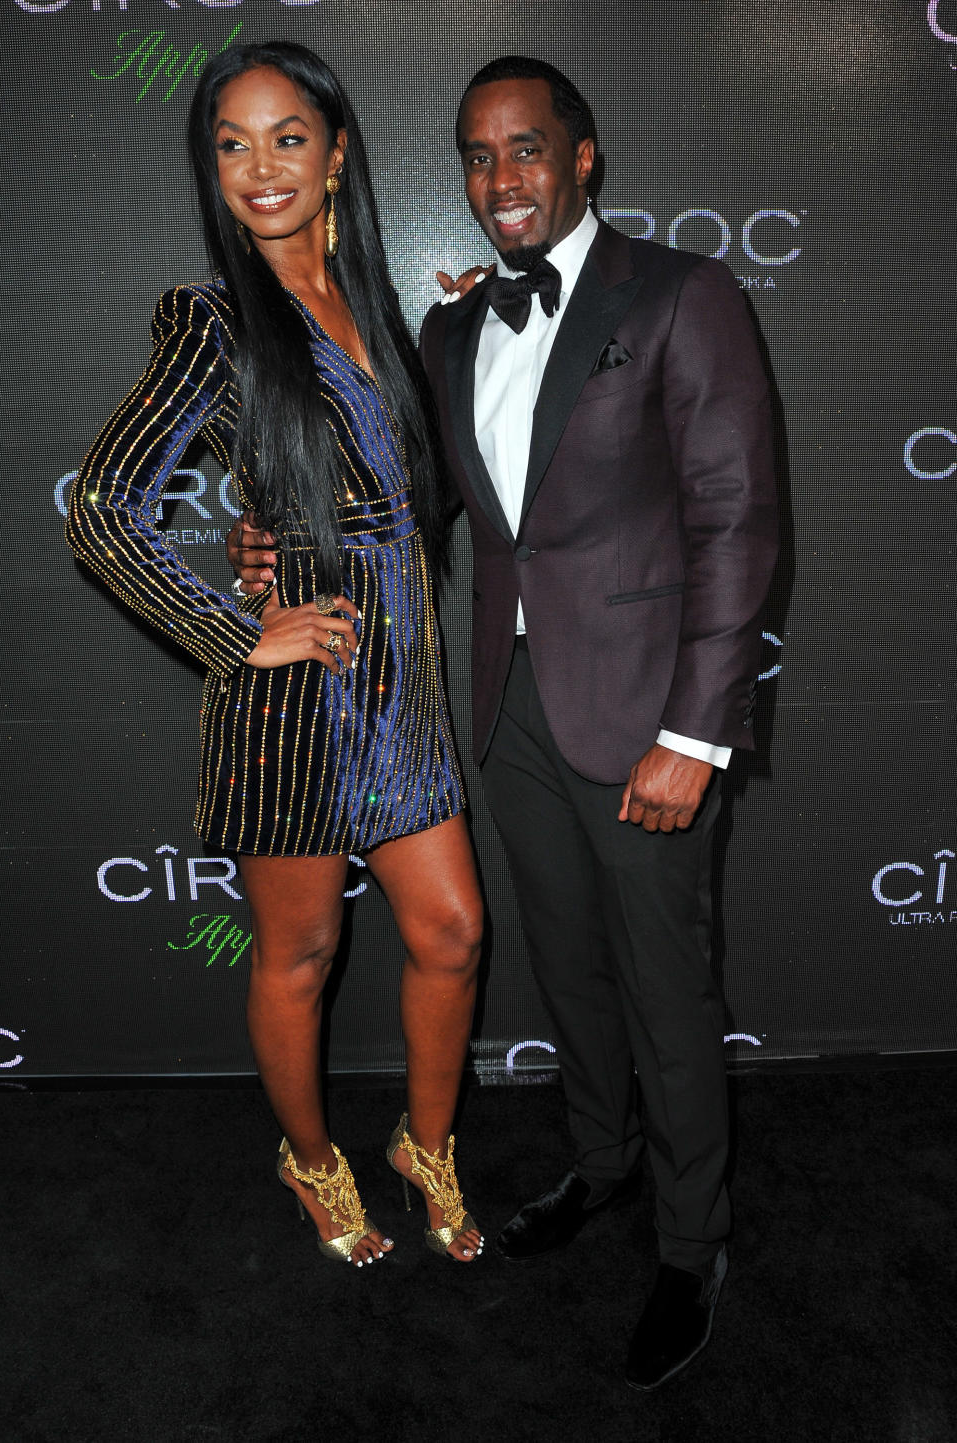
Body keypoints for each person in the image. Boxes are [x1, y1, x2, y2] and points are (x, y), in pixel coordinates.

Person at [231, 54, 778, 1384]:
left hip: (649, 711)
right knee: (573, 969)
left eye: (527, 149)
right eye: (479, 158)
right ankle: (602, 1165)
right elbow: (401, 508)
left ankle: (695, 1243)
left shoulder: (682, 295)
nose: (502, 179)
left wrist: (694, 732)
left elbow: (739, 516)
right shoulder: (454, 331)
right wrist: (278, 551)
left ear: (583, 158)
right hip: (511, 708)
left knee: (668, 988)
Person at [66, 41, 485, 1268]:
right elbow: (101, 509)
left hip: (405, 692)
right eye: (232, 143)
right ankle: (311, 1162)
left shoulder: (380, 308)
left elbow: (415, 499)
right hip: (296, 704)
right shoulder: (207, 321)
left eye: (287, 136)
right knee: (300, 952)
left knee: (453, 931)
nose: (260, 166)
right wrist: (239, 635)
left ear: (338, 153)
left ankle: (428, 1145)